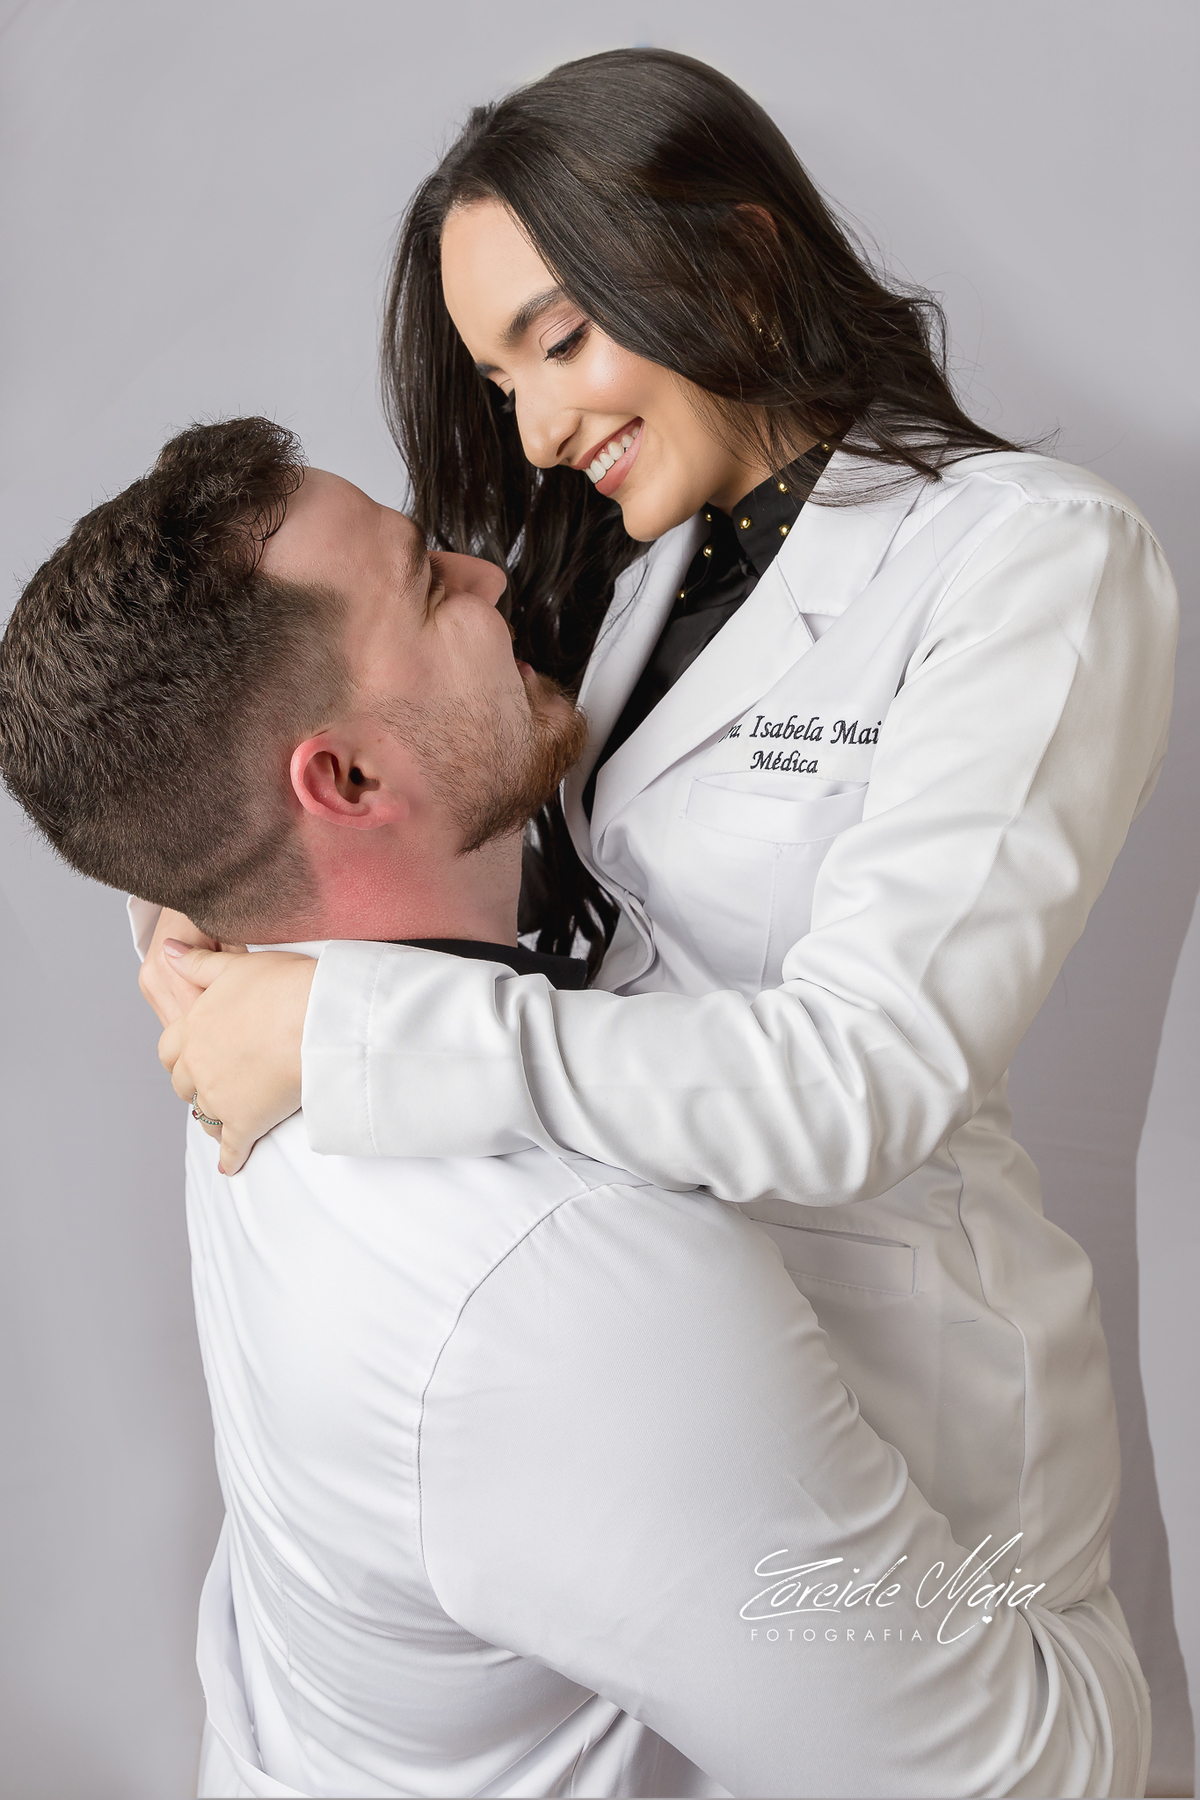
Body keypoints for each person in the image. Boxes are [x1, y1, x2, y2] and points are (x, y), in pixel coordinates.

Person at [145, 40, 1177, 1617]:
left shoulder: (1031, 562)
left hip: (924, 1446)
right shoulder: (616, 596)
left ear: (742, 259)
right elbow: (365, 783)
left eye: (558, 343)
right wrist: (200, 911)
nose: (536, 432)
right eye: (504, 384)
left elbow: (867, 1078)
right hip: (647, 1420)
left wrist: (346, 1037)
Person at [0, 417, 1155, 1798]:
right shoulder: (566, 1286)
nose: (491, 578)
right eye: (429, 582)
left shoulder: (225, 992)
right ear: (346, 779)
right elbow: (1022, 1779)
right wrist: (1064, 1590)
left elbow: (164, 786)